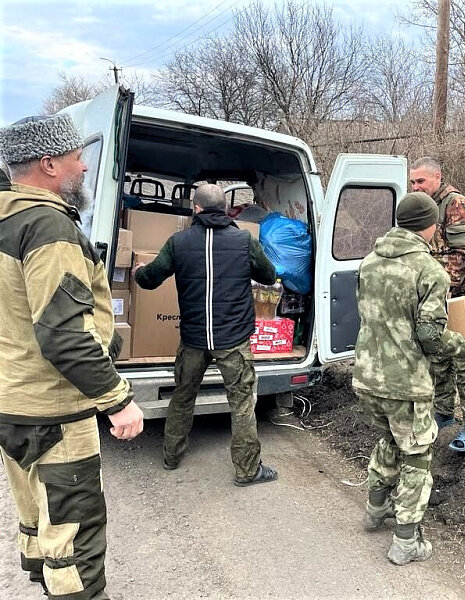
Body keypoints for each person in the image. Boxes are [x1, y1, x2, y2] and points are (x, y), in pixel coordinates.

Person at [0, 114, 144, 599]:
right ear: (48, 164)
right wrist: (118, 400)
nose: (84, 167)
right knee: (75, 533)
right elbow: (63, 333)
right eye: (77, 158)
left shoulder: (6, 218)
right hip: (54, 410)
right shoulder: (47, 226)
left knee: (38, 515)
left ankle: (49, 586)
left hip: (13, 399)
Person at [353, 192, 465, 565]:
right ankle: (406, 541)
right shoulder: (430, 271)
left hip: (367, 376)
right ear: (432, 226)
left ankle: (375, 509)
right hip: (405, 384)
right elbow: (430, 336)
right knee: (416, 456)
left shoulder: (369, 262)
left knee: (389, 439)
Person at [133, 183, 278, 486]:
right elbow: (268, 275)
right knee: (242, 403)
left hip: (194, 340)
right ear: (226, 210)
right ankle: (248, 471)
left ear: (195, 209)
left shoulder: (178, 242)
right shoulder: (244, 240)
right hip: (234, 341)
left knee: (183, 397)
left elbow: (149, 280)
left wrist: (138, 271)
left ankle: (171, 456)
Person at [409, 157, 465, 452]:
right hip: (436, 295)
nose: (416, 187)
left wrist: (438, 291)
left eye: (421, 181)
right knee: (439, 358)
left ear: (437, 177)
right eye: (413, 182)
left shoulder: (457, 205)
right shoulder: (423, 207)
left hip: (462, 293)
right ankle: (443, 411)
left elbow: (461, 256)